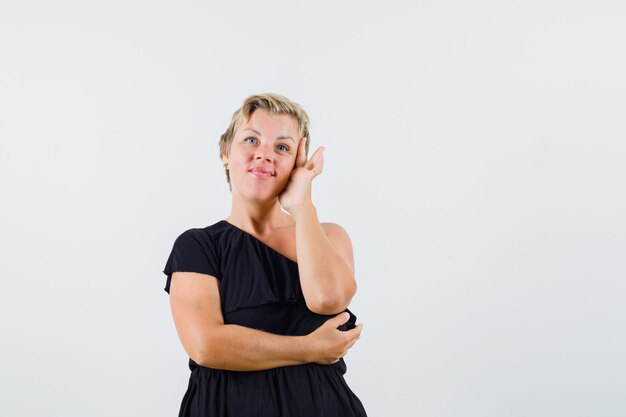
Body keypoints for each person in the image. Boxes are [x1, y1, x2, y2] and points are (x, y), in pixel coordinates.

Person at [162, 93, 367, 417]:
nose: (264, 155)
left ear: (298, 163)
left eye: (282, 147)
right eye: (251, 140)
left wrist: (302, 204)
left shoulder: (329, 236)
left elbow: (327, 299)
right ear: (226, 152)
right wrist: (308, 348)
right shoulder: (198, 246)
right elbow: (206, 345)